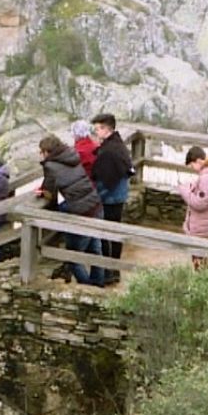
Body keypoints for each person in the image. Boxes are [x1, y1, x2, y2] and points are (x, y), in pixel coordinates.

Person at [36, 134, 105, 286]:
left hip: (80, 212)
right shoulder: (72, 156)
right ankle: (98, 283)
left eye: (41, 152)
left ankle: (86, 286)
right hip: (95, 205)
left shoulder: (50, 166)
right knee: (95, 249)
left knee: (72, 254)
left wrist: (42, 193)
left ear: (47, 152)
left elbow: (49, 192)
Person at [90, 114, 133, 285]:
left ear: (105, 129)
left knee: (106, 234)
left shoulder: (108, 151)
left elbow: (105, 177)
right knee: (115, 233)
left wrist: (97, 195)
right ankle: (114, 269)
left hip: (111, 198)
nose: (95, 133)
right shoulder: (119, 145)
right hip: (119, 196)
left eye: (97, 129)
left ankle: (108, 271)